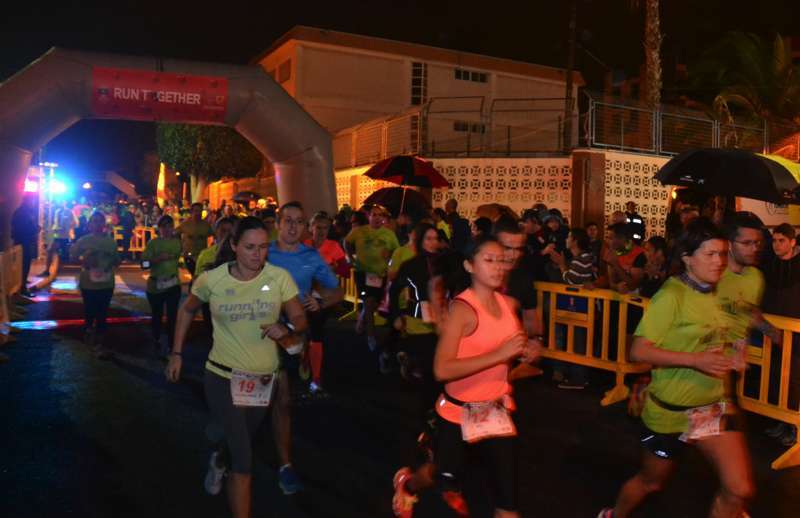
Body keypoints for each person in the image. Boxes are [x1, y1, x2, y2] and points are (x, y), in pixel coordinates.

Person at [598, 218, 754, 518]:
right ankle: (613, 515)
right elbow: (638, 350)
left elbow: (725, 331)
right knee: (651, 482)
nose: (719, 261)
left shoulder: (720, 290)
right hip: (670, 411)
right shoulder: (671, 296)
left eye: (723, 253)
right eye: (710, 254)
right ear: (687, 258)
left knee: (739, 490)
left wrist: (736, 352)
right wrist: (696, 360)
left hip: (711, 406)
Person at [165, 216, 307, 518]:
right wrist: (176, 353)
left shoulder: (279, 278)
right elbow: (187, 310)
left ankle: (219, 458)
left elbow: (300, 319)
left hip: (263, 381)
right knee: (244, 460)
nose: (257, 254)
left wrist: (287, 329)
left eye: (263, 247)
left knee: (239, 441)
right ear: (234, 245)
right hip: (222, 376)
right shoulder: (212, 279)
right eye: (249, 247)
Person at [392, 236, 540, 518]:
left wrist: (528, 350)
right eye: (489, 260)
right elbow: (442, 369)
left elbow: (511, 346)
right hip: (458, 414)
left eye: (501, 260)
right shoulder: (462, 310)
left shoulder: (509, 304)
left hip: (496, 411)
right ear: (469, 266)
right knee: (441, 474)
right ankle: (408, 484)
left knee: (508, 503)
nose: (498, 266)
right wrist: (500, 354)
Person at [268, 202, 343, 493]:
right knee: (250, 402)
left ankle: (285, 465)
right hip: (257, 331)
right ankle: (228, 449)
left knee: (283, 399)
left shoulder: (311, 257)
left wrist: (320, 301)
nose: (292, 226)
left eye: (298, 221)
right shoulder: (263, 252)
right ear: (277, 223)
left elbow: (336, 290)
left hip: (290, 334)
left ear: (304, 227)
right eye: (287, 220)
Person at [388, 223, 442, 410]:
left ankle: (408, 361)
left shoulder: (445, 263)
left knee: (436, 366)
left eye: (436, 238)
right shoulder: (410, 265)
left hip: (442, 322)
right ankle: (428, 410)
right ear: (419, 241)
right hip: (417, 321)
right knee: (428, 367)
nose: (433, 243)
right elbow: (394, 291)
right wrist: (396, 315)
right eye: (428, 239)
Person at [761, 223, 800, 446]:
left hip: (796, 333)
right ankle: (781, 421)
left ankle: (794, 427)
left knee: (794, 379)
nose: (776, 245)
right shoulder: (771, 264)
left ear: (792, 242)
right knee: (777, 376)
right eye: (774, 241)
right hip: (775, 331)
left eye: (781, 241)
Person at [493, 219, 544, 381]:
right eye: (507, 248)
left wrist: (535, 341)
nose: (513, 255)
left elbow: (530, 316)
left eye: (518, 249)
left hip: (505, 359)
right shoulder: (474, 275)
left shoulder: (523, 277)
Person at [344, 204, 400, 354]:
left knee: (373, 304)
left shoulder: (389, 234)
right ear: (369, 216)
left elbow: (396, 251)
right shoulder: (359, 231)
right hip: (362, 272)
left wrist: (390, 257)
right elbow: (347, 242)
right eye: (374, 215)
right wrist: (350, 257)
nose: (377, 218)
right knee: (368, 301)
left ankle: (362, 318)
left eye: (380, 215)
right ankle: (371, 335)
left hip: (380, 274)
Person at [549, 227, 598, 389]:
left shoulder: (582, 259)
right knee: (576, 340)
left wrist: (562, 265)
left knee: (578, 342)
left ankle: (579, 378)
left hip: (580, 306)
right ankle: (577, 376)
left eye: (569, 237)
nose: (566, 239)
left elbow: (571, 280)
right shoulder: (581, 258)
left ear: (575, 241)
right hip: (577, 306)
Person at [69, 212, 120, 359]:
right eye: (94, 221)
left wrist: (111, 261)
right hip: (88, 284)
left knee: (103, 314)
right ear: (89, 224)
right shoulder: (83, 241)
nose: (97, 224)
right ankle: (90, 340)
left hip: (106, 283)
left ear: (104, 224)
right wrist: (84, 259)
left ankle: (100, 344)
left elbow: (117, 261)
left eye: (100, 221)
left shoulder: (111, 242)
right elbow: (72, 257)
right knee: (90, 312)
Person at [142, 215, 182, 357]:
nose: (167, 229)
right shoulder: (153, 244)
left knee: (172, 317)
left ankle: (172, 346)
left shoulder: (177, 243)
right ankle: (156, 340)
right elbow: (143, 265)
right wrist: (156, 259)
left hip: (173, 285)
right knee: (157, 316)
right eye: (163, 226)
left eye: (169, 226)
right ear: (159, 228)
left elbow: (179, 258)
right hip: (155, 286)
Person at [604, 223, 646, 294]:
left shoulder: (640, 254)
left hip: (636, 298)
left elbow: (633, 286)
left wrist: (615, 264)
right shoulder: (612, 253)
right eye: (608, 238)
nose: (608, 241)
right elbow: (611, 283)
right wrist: (616, 287)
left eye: (611, 238)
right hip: (616, 297)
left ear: (622, 238)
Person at [175, 202, 213, 277]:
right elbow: (175, 233)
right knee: (193, 275)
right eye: (196, 211)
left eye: (200, 211)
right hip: (189, 256)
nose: (198, 213)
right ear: (191, 212)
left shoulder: (206, 225)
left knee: (199, 276)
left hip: (201, 256)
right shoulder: (185, 224)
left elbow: (214, 234)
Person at [11, 195, 39, 296]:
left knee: (22, 264)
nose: (33, 203)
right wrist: (36, 229)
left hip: (21, 241)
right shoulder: (25, 213)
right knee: (25, 264)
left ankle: (23, 282)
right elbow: (26, 228)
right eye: (32, 201)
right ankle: (23, 287)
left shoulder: (20, 211)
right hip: (25, 241)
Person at [39, 201, 76, 276]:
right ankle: (48, 270)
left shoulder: (69, 212)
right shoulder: (57, 212)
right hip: (58, 235)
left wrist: (69, 228)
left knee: (62, 253)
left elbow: (75, 223)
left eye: (62, 202)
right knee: (51, 251)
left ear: (65, 203)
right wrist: (55, 229)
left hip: (65, 236)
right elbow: (56, 223)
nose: (60, 203)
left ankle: (55, 271)